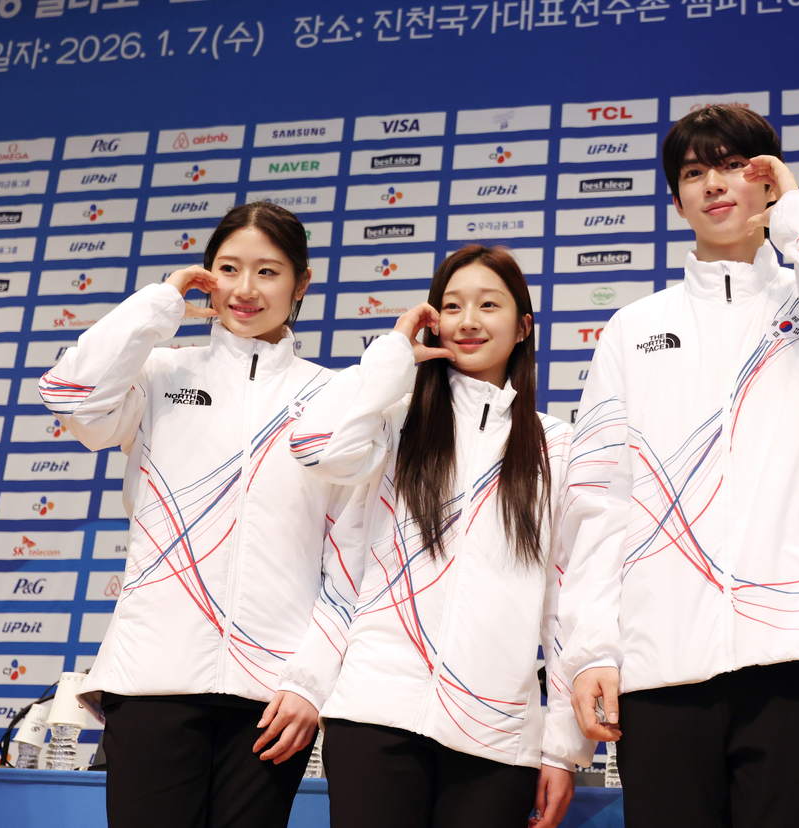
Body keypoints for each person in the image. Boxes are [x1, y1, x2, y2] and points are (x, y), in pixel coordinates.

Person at [558, 104, 799, 828]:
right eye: (692, 172)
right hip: (663, 665)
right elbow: (596, 499)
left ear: (767, 180)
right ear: (675, 198)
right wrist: (591, 649)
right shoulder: (633, 328)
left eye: (733, 166)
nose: (714, 184)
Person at [39, 202, 367, 828]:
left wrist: (309, 680)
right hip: (152, 677)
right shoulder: (161, 372)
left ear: (301, 284)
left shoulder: (337, 395)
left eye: (268, 272)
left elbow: (352, 553)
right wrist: (160, 305)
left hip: (270, 696)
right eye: (228, 268)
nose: (245, 290)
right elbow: (69, 395)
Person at [280, 244, 589, 828]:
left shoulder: (559, 448)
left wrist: (562, 748)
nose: (468, 320)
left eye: (488, 305)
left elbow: (566, 604)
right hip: (375, 714)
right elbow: (315, 447)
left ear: (523, 327)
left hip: (494, 735)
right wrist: (397, 351)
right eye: (452, 305)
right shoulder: (393, 422)